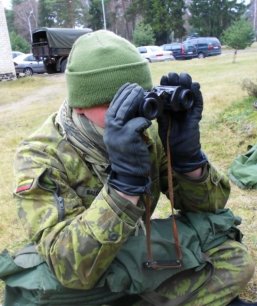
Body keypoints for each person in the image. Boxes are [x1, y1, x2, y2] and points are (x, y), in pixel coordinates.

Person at [13, 30, 255, 306]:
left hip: (133, 256)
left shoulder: (146, 134)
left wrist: (188, 160)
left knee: (235, 260)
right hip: (82, 277)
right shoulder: (40, 156)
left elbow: (209, 207)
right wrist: (123, 188)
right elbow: (69, 267)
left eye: (136, 98)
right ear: (80, 106)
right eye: (112, 103)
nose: (129, 112)